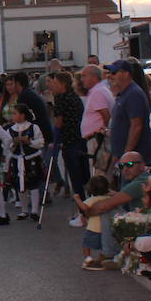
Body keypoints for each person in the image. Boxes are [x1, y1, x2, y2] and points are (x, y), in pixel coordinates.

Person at [104, 59, 151, 171]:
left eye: (114, 73)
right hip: (123, 158)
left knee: (127, 187)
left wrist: (126, 156)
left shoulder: (134, 94)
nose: (110, 76)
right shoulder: (125, 93)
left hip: (132, 161)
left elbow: (137, 126)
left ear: (126, 74)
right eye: (110, 73)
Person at [50, 72, 89, 205]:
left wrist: (54, 140)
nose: (52, 86)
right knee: (83, 175)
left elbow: (59, 122)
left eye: (54, 83)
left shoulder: (60, 98)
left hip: (69, 140)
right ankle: (87, 203)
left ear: (63, 85)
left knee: (75, 176)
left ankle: (81, 207)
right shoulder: (74, 97)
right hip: (80, 138)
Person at [7, 104, 46, 220]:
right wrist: (14, 143)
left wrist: (29, 142)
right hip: (17, 159)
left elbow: (41, 142)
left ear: (23, 115)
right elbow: (6, 145)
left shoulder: (33, 127)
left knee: (33, 184)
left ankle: (34, 210)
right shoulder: (10, 129)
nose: (13, 116)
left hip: (31, 158)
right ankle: (24, 210)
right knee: (20, 185)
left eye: (15, 113)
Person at [80, 64, 114, 175]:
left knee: (98, 174)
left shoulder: (97, 92)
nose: (82, 79)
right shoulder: (99, 90)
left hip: (97, 140)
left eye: (84, 76)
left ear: (94, 77)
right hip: (96, 139)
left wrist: (103, 133)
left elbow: (106, 115)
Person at [75, 175, 112, 269]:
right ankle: (105, 257)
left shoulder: (92, 200)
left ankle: (88, 258)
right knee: (104, 244)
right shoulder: (108, 198)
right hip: (106, 228)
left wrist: (77, 199)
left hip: (93, 228)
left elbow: (84, 207)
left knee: (86, 243)